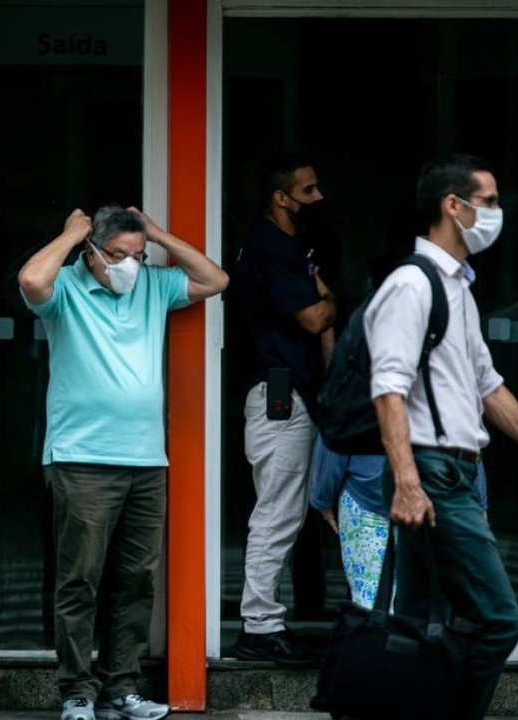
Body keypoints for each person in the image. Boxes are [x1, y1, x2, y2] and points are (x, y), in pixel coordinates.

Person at [364, 153, 518, 720]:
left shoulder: (457, 287)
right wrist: (409, 483)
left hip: (454, 469)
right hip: (432, 471)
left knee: (421, 617)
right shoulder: (411, 286)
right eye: (488, 202)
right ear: (453, 206)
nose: (496, 213)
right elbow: (387, 388)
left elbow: (489, 386)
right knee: (497, 619)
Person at [18, 205, 228, 720]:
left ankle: (121, 688)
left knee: (135, 580)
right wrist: (70, 234)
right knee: (80, 580)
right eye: (118, 255)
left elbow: (215, 279)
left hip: (145, 460)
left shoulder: (153, 287)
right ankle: (77, 693)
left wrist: (156, 234)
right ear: (92, 254)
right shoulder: (66, 290)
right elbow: (30, 278)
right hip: (81, 458)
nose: (130, 266)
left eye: (138, 255)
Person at [233, 154, 335, 664]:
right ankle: (258, 627)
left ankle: (269, 620)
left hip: (291, 393)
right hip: (277, 394)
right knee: (277, 511)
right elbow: (316, 318)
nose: (318, 199)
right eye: (309, 190)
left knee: (291, 510)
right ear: (282, 197)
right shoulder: (269, 246)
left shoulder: (290, 246)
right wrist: (330, 299)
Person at [309, 434, 489, 608]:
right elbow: (468, 436)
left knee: (369, 600)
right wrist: (477, 500)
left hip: (368, 495)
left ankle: (377, 635)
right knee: (422, 605)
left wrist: (323, 497)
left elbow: (335, 433)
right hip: (431, 496)